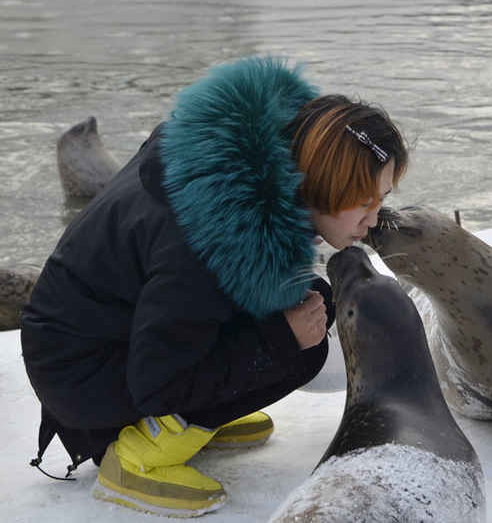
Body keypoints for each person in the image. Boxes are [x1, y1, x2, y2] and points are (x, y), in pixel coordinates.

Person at [20, 56, 408, 517]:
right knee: (299, 348)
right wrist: (281, 340)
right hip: (81, 374)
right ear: (322, 184)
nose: (374, 218)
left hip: (112, 337)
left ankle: (198, 417)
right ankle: (140, 455)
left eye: (381, 200)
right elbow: (158, 379)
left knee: (310, 304)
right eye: (362, 203)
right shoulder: (206, 240)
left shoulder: (237, 185)